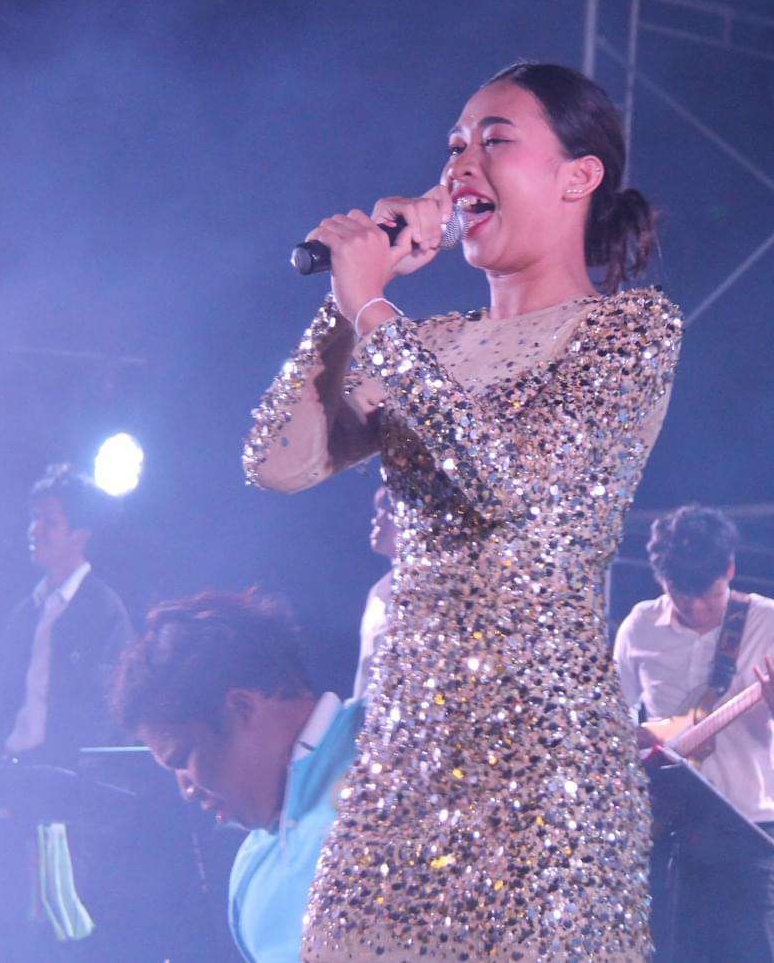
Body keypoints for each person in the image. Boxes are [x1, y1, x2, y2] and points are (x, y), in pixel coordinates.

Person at [244, 61, 681, 960]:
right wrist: (344, 310)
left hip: (539, 773)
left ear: (578, 175)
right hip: (399, 768)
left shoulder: (629, 333)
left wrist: (372, 306)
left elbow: (504, 480)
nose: (460, 165)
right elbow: (276, 461)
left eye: (495, 140)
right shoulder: (431, 342)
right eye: (453, 146)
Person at [614, 505, 774, 962]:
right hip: (665, 838)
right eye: (679, 595)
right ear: (660, 579)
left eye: (707, 596)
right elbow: (610, 726)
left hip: (750, 840)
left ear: (729, 570)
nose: (693, 608)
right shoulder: (639, 627)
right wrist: (634, 743)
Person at [113, 590, 363, 963]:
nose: (186, 788)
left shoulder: (400, 745)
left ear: (241, 708)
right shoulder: (250, 876)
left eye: (184, 757)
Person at [2, 464, 136, 765]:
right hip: (15, 769)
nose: (35, 530)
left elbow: (116, 706)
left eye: (49, 522)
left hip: (66, 776)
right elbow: (4, 698)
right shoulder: (24, 614)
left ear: (79, 535)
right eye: (34, 518)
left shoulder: (103, 610)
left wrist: (83, 772)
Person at [352, 486, 396, 701]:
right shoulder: (377, 592)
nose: (376, 519)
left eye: (385, 509)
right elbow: (365, 670)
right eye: (377, 510)